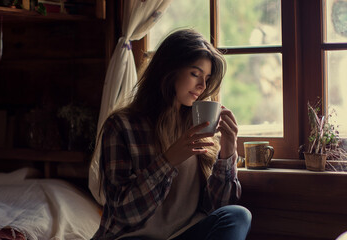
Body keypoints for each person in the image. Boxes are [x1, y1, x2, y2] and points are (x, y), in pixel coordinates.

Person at [92, 29, 251, 240]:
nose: (202, 86)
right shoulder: (122, 125)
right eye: (195, 74)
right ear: (169, 70)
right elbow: (124, 213)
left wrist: (228, 152)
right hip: (132, 237)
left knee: (238, 216)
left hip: (182, 234)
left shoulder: (199, 127)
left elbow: (216, 207)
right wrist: (168, 161)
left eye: (207, 78)